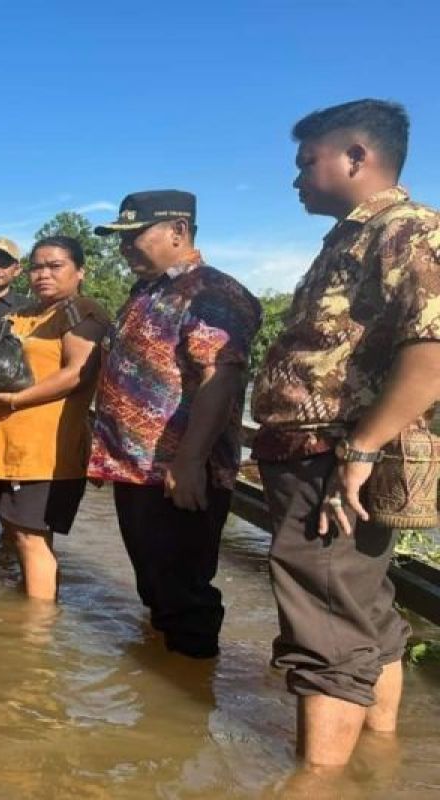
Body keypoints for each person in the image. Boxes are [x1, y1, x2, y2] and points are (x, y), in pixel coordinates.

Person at [251, 99, 440, 769]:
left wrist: (359, 452)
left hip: (334, 461)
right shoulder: (353, 238)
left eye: (308, 162)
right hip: (319, 456)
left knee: (326, 626)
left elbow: (433, 353)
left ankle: (316, 785)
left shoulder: (407, 230)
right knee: (367, 617)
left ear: (357, 157)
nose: (297, 178)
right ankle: (378, 765)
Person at [90, 190, 260, 659]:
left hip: (179, 475)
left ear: (179, 232)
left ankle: (190, 705)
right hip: (138, 470)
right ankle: (160, 695)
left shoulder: (212, 293)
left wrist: (189, 462)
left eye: (133, 236)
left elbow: (220, 375)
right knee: (158, 588)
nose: (123, 248)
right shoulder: (146, 292)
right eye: (119, 239)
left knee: (186, 597)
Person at [0, 237, 110, 600]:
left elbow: (76, 373)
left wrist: (14, 398)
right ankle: (40, 617)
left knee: (30, 537)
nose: (43, 274)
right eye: (37, 266)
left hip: (45, 449)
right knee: (20, 534)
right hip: (7, 446)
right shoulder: (25, 314)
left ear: (79, 271)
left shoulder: (83, 312)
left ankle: (34, 638)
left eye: (55, 266)